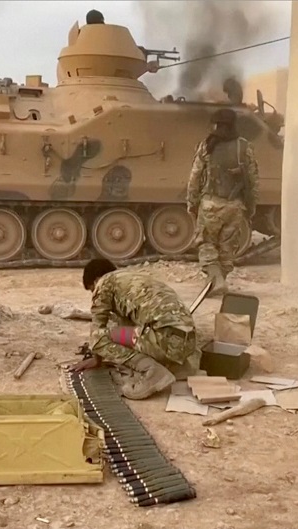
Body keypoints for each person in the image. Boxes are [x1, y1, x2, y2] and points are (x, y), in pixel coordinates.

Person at [69, 258, 201, 400]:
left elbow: (97, 331)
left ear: (95, 280)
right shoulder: (134, 279)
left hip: (164, 340)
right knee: (124, 332)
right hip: (187, 343)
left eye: (91, 290)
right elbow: (128, 326)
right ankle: (179, 367)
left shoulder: (104, 283)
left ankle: (152, 373)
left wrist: (96, 358)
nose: (94, 293)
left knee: (101, 337)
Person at [186, 108, 259, 297]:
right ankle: (219, 282)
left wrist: (191, 202)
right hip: (235, 206)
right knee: (227, 248)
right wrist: (250, 208)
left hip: (211, 204)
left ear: (216, 124)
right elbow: (252, 181)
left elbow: (194, 177)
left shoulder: (207, 146)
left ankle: (216, 280)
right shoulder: (244, 147)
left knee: (206, 243)